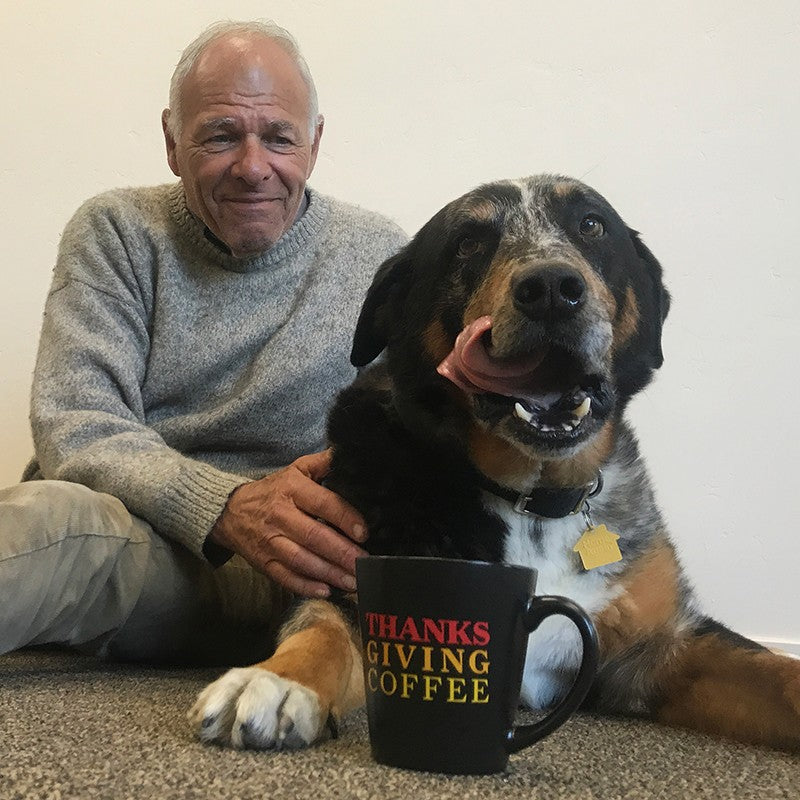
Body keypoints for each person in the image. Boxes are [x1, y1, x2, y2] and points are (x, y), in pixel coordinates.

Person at [0, 21, 407, 665]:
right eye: (221, 136)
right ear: (171, 143)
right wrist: (226, 505)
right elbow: (78, 427)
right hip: (146, 541)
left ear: (315, 143)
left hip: (302, 574)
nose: (253, 167)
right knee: (50, 522)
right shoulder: (117, 233)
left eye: (279, 138)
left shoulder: (381, 255)